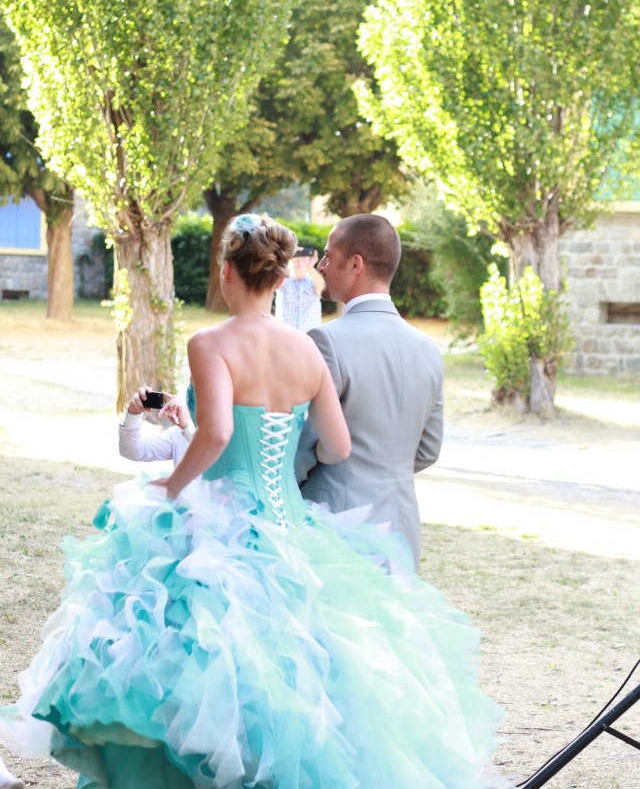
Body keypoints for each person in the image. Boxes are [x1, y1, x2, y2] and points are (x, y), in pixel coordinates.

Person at [0, 213, 502, 789]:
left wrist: (171, 486)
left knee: (196, 667)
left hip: (223, 527)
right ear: (280, 276)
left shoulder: (211, 342)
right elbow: (338, 448)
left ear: (228, 273)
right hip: (292, 530)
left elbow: (213, 434)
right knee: (294, 673)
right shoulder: (307, 350)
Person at [295, 213, 444, 570]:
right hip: (402, 525)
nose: (322, 265)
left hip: (337, 523)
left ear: (356, 264)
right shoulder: (427, 347)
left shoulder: (326, 340)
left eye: (329, 256)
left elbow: (303, 443)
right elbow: (428, 449)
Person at [118, 386, 195, 468]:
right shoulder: (180, 432)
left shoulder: (185, 429)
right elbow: (132, 451)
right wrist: (133, 414)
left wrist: (185, 428)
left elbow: (209, 452)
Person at [274, 245, 323, 331]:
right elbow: (275, 282)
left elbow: (321, 287)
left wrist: (310, 267)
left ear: (308, 261)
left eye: (303, 259)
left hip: (310, 336)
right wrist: (286, 256)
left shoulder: (313, 279)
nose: (299, 263)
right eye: (296, 260)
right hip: (286, 335)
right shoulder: (285, 280)